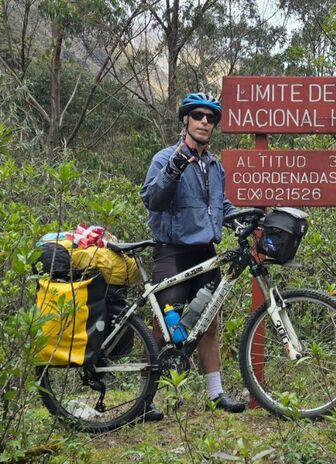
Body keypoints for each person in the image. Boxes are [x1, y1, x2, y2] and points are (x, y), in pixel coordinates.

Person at [140, 92, 245, 420]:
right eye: (197, 116)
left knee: (208, 325)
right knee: (163, 326)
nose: (204, 121)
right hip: (172, 251)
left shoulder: (214, 165)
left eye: (210, 118)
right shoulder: (164, 157)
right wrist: (175, 166)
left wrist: (242, 217)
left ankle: (216, 394)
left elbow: (220, 205)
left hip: (205, 254)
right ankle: (143, 401)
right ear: (186, 120)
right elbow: (152, 200)